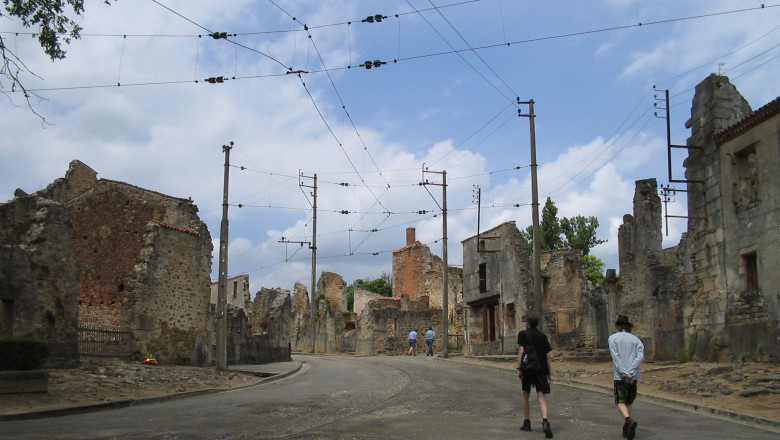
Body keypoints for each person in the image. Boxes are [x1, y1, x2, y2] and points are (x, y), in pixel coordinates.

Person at [517, 313, 553, 438]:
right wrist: (549, 373)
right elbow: (548, 356)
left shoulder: (523, 334)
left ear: (528, 323)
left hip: (527, 369)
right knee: (541, 396)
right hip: (541, 369)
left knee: (525, 395)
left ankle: (527, 422)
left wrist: (519, 367)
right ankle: (545, 422)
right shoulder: (542, 336)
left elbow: (521, 351)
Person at [608, 315, 644, 440]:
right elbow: (640, 355)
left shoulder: (613, 338)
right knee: (629, 401)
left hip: (620, 376)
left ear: (618, 326)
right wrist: (631, 370)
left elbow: (615, 356)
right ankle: (627, 427)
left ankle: (628, 420)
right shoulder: (636, 340)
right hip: (633, 376)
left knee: (620, 401)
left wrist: (623, 371)